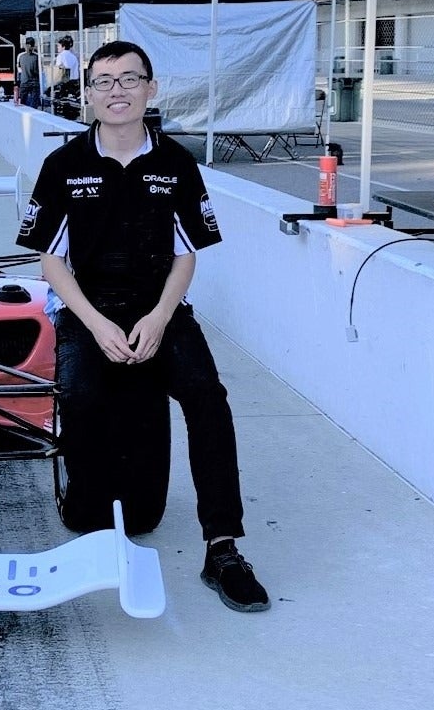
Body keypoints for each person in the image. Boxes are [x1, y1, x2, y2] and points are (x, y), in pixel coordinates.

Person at [15, 40, 270, 613]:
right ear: (88, 95)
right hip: (89, 307)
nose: (117, 91)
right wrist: (96, 324)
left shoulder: (176, 162)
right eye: (103, 82)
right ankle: (86, 507)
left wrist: (158, 318)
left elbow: (187, 254)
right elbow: (50, 261)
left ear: (151, 89)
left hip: (161, 307)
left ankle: (223, 546)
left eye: (130, 79)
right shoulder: (64, 164)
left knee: (208, 396)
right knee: (79, 394)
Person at [16, 38, 41, 106]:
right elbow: (40, 70)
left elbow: (19, 69)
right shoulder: (37, 56)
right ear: (33, 46)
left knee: (22, 103)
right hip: (35, 83)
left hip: (24, 81)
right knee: (34, 104)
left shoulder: (20, 56)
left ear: (25, 45)